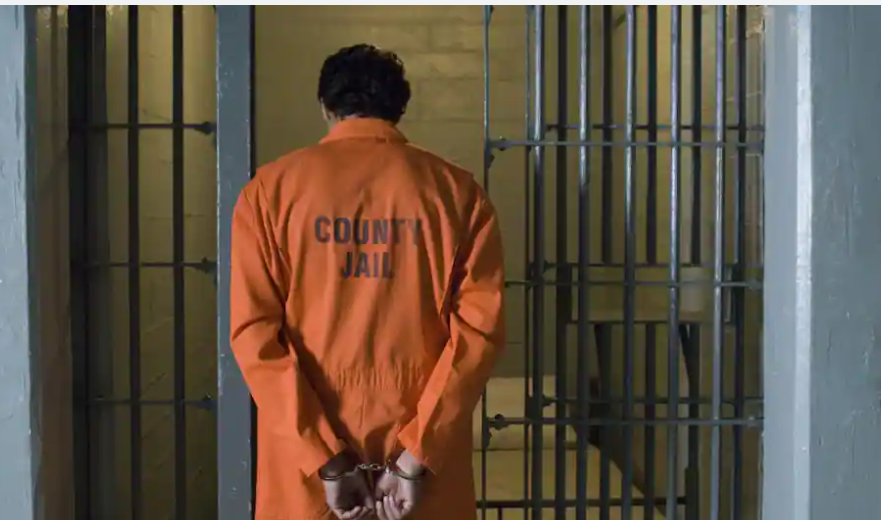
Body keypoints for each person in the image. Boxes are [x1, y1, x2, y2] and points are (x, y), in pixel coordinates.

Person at [230, 43, 506, 520]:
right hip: (421, 467)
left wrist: (326, 459)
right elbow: (478, 335)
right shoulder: (459, 195)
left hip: (308, 470)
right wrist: (417, 455)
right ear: (399, 109)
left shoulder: (268, 194)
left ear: (326, 107)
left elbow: (255, 338)